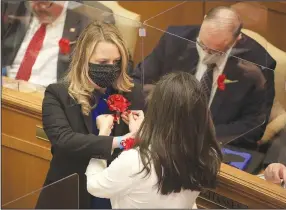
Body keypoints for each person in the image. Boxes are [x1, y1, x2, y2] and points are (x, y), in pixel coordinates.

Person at [132, 6, 276, 150]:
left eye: (216, 51)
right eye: (202, 45)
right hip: (162, 134)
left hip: (211, 147)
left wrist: (198, 136)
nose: (206, 54)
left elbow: (253, 126)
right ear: (204, 20)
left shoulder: (260, 65)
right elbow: (139, 80)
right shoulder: (175, 39)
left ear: (237, 39)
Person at [36, 21, 144, 209]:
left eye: (116, 62)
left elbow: (146, 147)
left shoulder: (132, 93)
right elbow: (64, 141)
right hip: (70, 194)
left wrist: (143, 131)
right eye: (103, 63)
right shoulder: (58, 94)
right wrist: (119, 141)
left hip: (114, 194)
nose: (111, 67)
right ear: (84, 60)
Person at [86, 72, 223, 208]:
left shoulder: (138, 160)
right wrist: (142, 132)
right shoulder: (208, 154)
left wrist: (103, 135)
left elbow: (94, 186)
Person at [1, 1, 114, 87]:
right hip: (8, 89)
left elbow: (100, 74)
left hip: (51, 99)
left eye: (47, 2)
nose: (40, 7)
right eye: (35, 1)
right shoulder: (12, 6)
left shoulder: (94, 18)